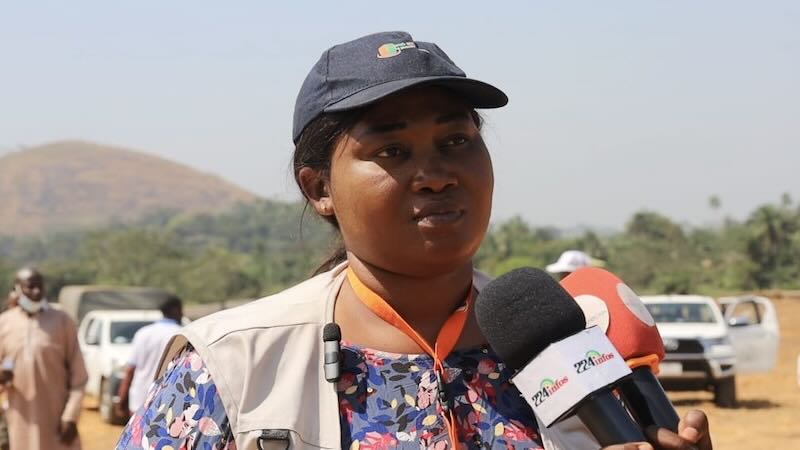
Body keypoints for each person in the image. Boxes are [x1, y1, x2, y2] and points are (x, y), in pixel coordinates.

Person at [116, 31, 712, 450]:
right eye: (392, 152)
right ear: (318, 188)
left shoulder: (570, 347)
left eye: (456, 142)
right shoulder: (229, 368)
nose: (436, 174)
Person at [0, 268, 88, 450]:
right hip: (19, 420)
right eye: (30, 287)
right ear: (17, 289)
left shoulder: (62, 321)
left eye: (40, 287)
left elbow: (79, 377)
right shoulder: (4, 323)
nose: (37, 292)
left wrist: (70, 417)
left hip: (56, 421)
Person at [115, 296, 184, 418]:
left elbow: (130, 370)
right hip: (168, 402)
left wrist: (121, 400)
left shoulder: (143, 333)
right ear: (176, 310)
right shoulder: (181, 334)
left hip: (139, 400)